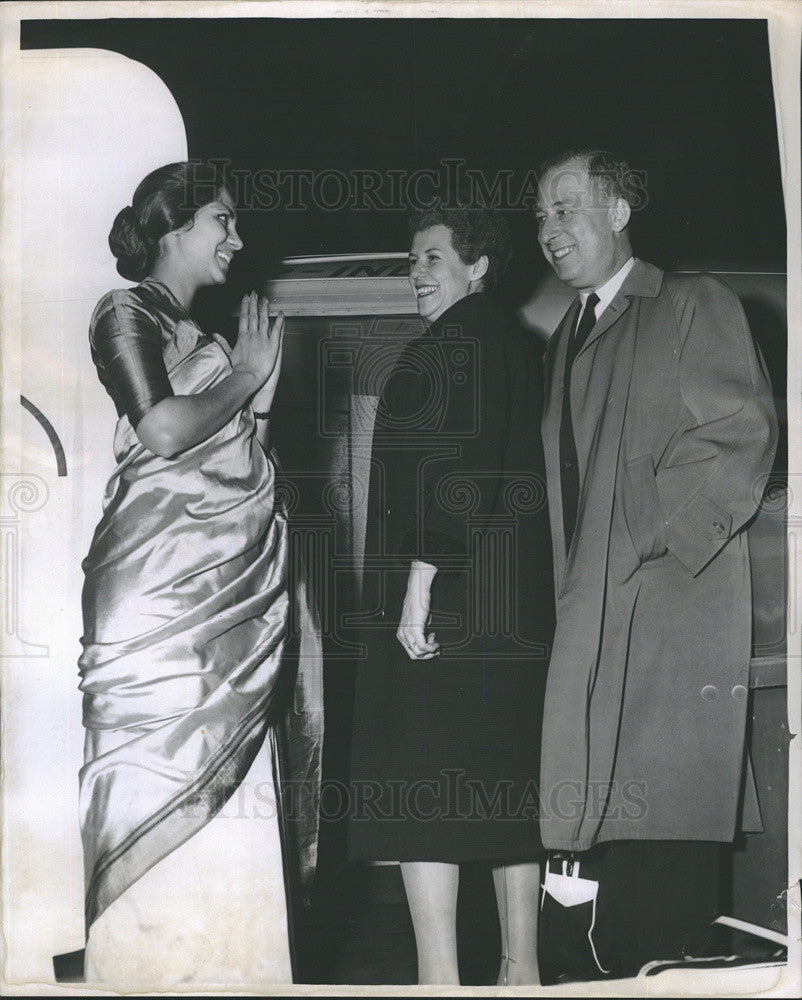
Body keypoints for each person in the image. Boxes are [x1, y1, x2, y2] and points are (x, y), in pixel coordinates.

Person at [534, 149, 778, 976]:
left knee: (661, 852)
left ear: (619, 211)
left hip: (669, 622)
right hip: (592, 620)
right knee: (590, 853)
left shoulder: (688, 302)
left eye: (566, 209)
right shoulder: (562, 338)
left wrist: (638, 531)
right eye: (540, 216)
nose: (549, 231)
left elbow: (740, 437)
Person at [77, 161, 317, 989]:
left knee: (231, 805)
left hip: (224, 599)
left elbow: (232, 456)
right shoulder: (124, 311)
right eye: (223, 220)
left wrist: (259, 403)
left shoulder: (211, 338)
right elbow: (166, 431)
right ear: (174, 225)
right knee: (159, 787)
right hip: (154, 599)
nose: (238, 238)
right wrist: (245, 381)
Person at [349, 202, 555, 985]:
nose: (416, 273)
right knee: (503, 793)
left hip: (451, 605)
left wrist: (418, 588)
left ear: (478, 267)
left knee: (421, 793)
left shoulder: (459, 340)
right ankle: (519, 972)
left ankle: (440, 983)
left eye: (433, 258)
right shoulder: (514, 341)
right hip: (508, 608)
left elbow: (458, 473)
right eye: (412, 261)